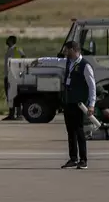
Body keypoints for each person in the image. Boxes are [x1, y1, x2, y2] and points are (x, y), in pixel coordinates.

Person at [33, 41, 96, 169]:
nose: (65, 53)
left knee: (79, 131)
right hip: (68, 102)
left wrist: (91, 104)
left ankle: (83, 160)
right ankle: (73, 158)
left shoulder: (85, 66)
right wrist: (39, 60)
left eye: (67, 50)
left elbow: (92, 86)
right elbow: (54, 61)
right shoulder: (68, 62)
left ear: (73, 50)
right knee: (70, 131)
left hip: (79, 104)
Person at [3, 36, 25, 121]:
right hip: (9, 75)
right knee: (10, 96)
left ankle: (17, 114)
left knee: (14, 96)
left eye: (8, 39)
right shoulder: (10, 50)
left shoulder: (15, 49)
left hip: (12, 76)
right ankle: (12, 114)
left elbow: (23, 58)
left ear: (11, 41)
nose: (6, 41)